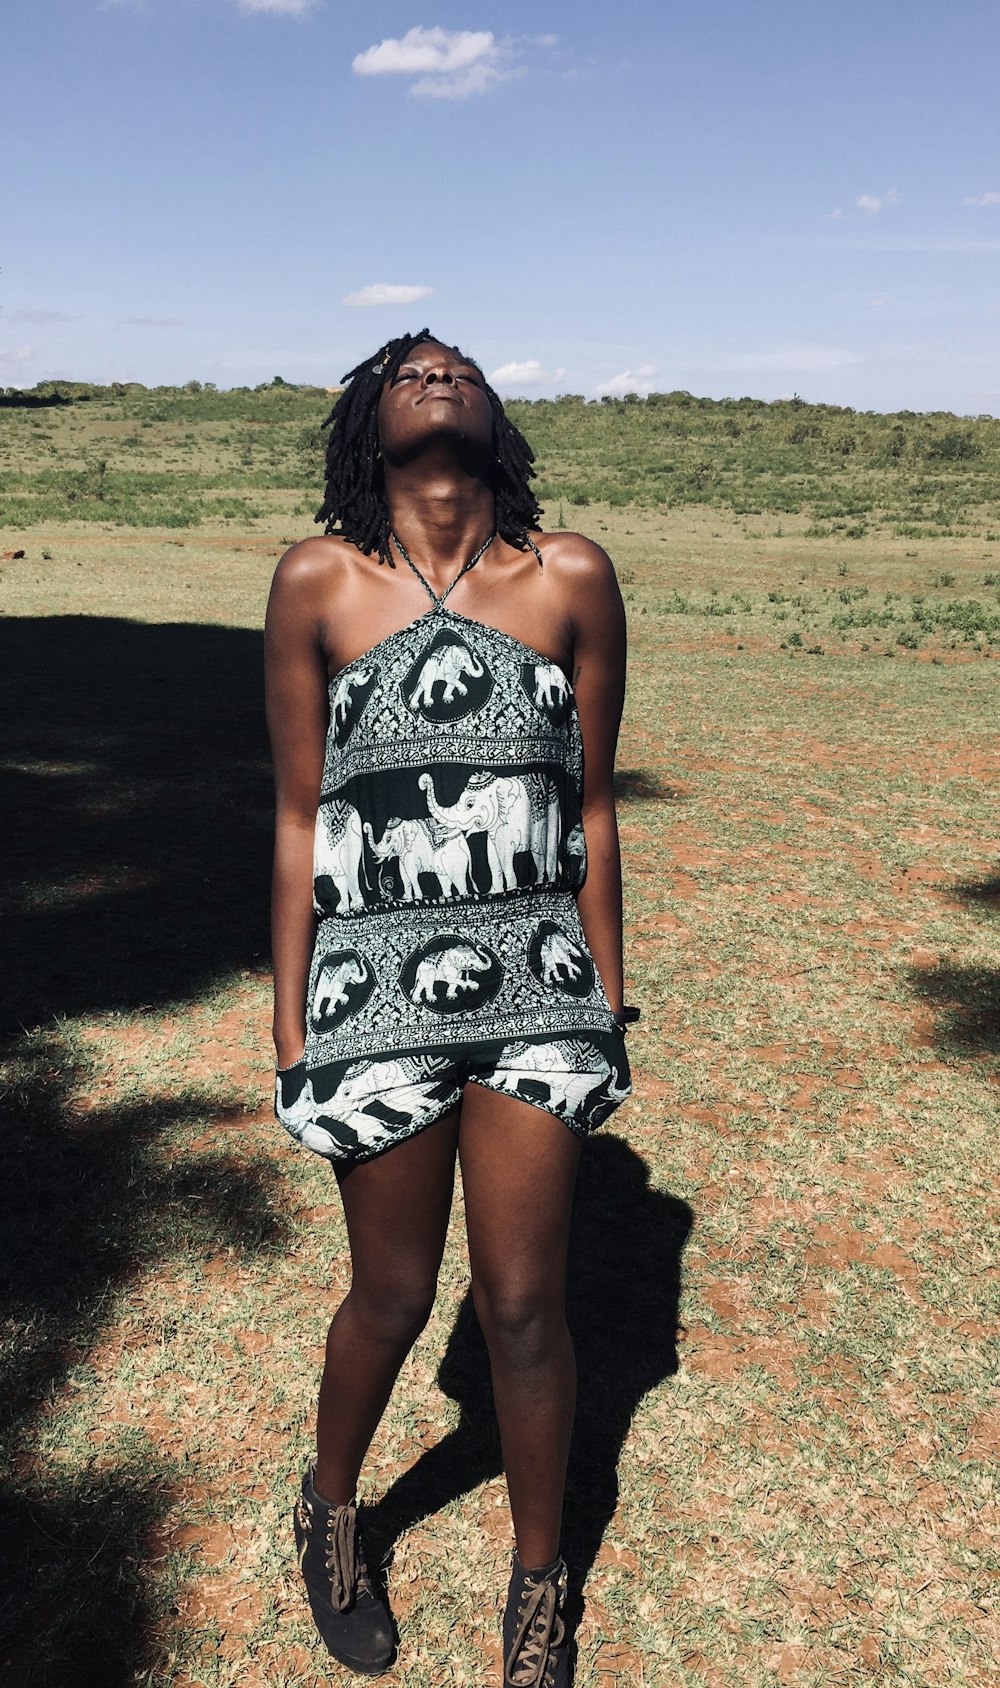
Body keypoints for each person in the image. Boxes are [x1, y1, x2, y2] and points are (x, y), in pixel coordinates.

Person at [264, 330, 636, 1685]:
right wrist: (290, 1004)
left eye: (462, 363)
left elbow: (591, 802)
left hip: (538, 979)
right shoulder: (319, 580)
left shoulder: (570, 576)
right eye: (410, 366)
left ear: (495, 418)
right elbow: (300, 809)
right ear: (369, 419)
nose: (438, 367)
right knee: (395, 1290)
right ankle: (332, 1510)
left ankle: (539, 1594)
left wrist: (605, 988)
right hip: (368, 983)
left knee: (525, 1306)